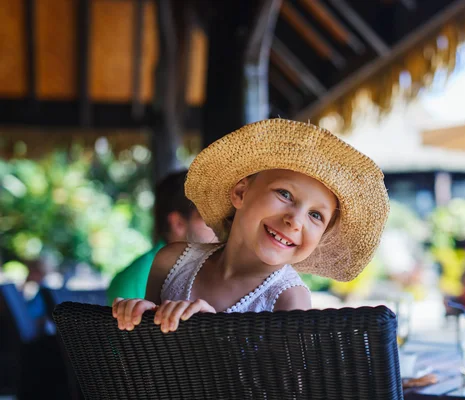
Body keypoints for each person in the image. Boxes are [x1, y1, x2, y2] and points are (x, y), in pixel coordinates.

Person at [112, 118, 389, 333]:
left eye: (316, 215)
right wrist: (137, 318)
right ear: (241, 193)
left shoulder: (288, 299)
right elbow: (146, 363)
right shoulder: (171, 263)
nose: (295, 220)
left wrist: (214, 335)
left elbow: (283, 389)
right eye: (285, 194)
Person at [107, 170, 217, 305]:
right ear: (178, 224)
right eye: (208, 218)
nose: (218, 225)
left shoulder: (212, 266)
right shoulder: (135, 279)